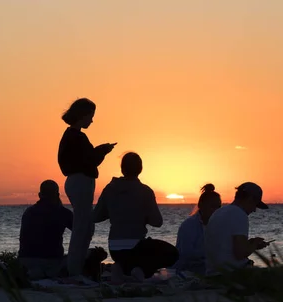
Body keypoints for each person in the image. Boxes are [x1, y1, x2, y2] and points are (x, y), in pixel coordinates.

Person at [93, 152, 179, 283]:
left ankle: (121, 269)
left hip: (114, 248)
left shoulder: (110, 189)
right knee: (173, 253)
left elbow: (96, 216)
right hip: (136, 247)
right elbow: (157, 222)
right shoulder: (145, 191)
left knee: (133, 257)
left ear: (122, 169)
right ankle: (140, 271)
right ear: (140, 169)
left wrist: (114, 211)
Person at [58, 98, 116, 277]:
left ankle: (77, 266)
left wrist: (100, 151)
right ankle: (74, 270)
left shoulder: (72, 136)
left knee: (86, 226)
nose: (92, 120)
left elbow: (88, 158)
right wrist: (103, 150)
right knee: (82, 227)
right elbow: (89, 159)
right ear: (82, 116)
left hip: (79, 181)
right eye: (91, 116)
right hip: (80, 182)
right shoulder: (76, 137)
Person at [204, 182, 270, 276]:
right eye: (255, 205)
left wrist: (249, 244)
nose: (254, 210)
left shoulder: (219, 212)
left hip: (212, 273)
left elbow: (225, 246)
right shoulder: (239, 214)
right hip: (231, 274)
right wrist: (254, 244)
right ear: (250, 199)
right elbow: (240, 253)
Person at [18, 180, 73, 280]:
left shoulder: (29, 212)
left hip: (25, 261)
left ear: (39, 195)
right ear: (58, 195)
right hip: (51, 262)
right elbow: (80, 231)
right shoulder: (62, 212)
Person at [173, 183, 222, 275]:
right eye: (212, 206)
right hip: (186, 270)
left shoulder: (218, 225)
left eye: (218, 207)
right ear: (201, 205)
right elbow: (187, 253)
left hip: (207, 267)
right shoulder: (189, 225)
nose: (216, 210)